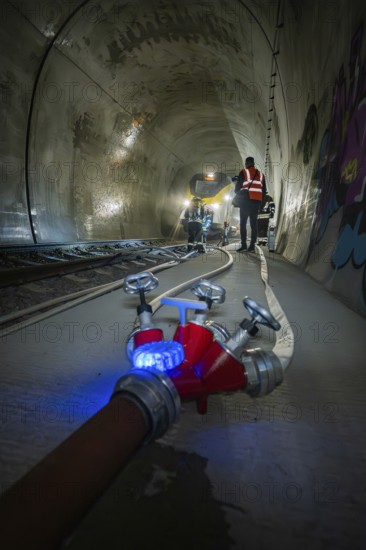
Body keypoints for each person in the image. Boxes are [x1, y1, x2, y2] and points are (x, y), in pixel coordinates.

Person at [234, 156, 269, 252]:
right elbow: (264, 191)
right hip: (256, 202)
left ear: (247, 163)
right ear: (253, 163)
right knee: (254, 225)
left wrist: (240, 193)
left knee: (243, 224)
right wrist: (261, 205)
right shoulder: (261, 175)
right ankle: (252, 246)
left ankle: (244, 245)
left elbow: (237, 189)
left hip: (245, 202)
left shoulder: (244, 172)